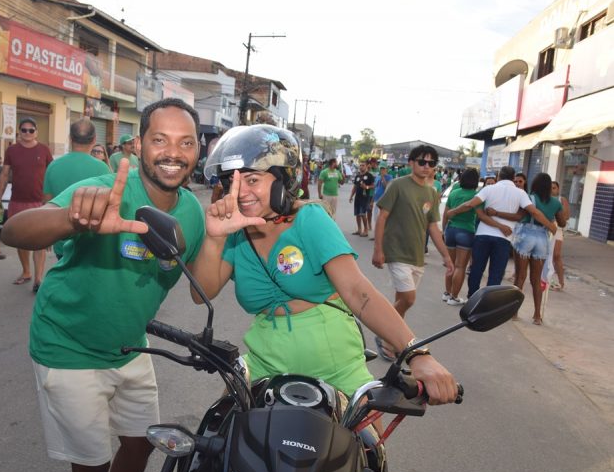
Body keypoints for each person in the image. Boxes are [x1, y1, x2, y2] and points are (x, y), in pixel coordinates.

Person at [0, 98, 205, 472]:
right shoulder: (107, 189)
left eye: (186, 142)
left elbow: (202, 288)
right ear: (139, 145)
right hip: (68, 347)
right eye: (160, 140)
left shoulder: (192, 211)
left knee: (142, 443)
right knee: (92, 466)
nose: (173, 153)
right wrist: (72, 220)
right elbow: (15, 231)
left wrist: (223, 237)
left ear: (198, 149)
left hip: (130, 347)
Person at [195, 125, 458, 403]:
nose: (241, 192)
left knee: (367, 443)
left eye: (252, 180)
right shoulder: (234, 231)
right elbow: (202, 293)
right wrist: (214, 239)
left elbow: (357, 290)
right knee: (218, 431)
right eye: (232, 182)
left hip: (335, 362)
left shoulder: (309, 219)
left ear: (283, 177)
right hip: (264, 360)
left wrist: (416, 354)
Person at [372, 146, 453, 360]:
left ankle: (392, 341)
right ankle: (383, 334)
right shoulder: (398, 185)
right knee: (409, 298)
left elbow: (433, 227)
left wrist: (446, 256)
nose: (426, 167)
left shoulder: (432, 193)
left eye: (431, 163)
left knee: (402, 301)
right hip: (396, 251)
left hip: (417, 256)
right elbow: (382, 217)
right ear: (411, 163)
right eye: (421, 162)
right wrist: (378, 249)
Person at [446, 166, 557, 299]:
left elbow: (470, 204)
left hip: (483, 235)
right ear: (513, 177)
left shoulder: (488, 189)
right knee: (496, 273)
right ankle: (488, 302)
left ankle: (472, 298)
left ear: (498, 177)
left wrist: (453, 211)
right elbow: (533, 212)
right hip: (504, 238)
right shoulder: (520, 193)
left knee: (477, 269)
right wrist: (550, 225)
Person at [484, 173, 565, 325]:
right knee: (536, 279)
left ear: (533, 184)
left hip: (525, 236)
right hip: (542, 238)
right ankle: (537, 316)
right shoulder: (555, 202)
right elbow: (562, 222)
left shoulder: (528, 197)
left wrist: (496, 213)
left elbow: (517, 216)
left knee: (520, 276)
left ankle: (514, 312)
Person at [0, 118, 53, 292]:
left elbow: (51, 175)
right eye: (24, 130)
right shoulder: (12, 150)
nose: (27, 133)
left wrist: (51, 202)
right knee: (21, 239)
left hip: (39, 202)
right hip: (17, 201)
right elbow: (5, 175)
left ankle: (38, 279)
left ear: (36, 132)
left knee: (40, 241)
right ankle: (26, 272)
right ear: (19, 131)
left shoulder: (44, 150)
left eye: (31, 130)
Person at [42, 119, 113, 260]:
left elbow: (48, 204)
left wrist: (47, 234)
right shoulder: (103, 168)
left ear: (70, 138)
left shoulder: (53, 166)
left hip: (61, 240)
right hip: (92, 242)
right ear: (94, 139)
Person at [441, 168, 480, 305]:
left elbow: (445, 214)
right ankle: (454, 297)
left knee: (450, 265)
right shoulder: (476, 195)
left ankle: (447, 293)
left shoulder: (454, 193)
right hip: (466, 230)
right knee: (460, 266)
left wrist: (443, 231)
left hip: (451, 229)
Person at [550, 181, 570, 290]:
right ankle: (546, 279)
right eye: (550, 188)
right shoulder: (544, 199)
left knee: (556, 255)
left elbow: (566, 216)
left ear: (557, 189)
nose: (552, 190)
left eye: (554, 188)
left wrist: (556, 215)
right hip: (546, 228)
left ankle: (561, 282)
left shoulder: (562, 200)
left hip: (558, 229)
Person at [348, 160, 374, 236]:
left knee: (363, 214)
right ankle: (359, 229)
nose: (361, 167)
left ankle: (366, 230)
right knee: (357, 214)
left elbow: (373, 185)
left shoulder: (369, 175)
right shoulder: (357, 176)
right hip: (357, 197)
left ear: (366, 166)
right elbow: (355, 186)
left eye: (363, 165)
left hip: (365, 197)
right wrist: (351, 196)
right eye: (360, 165)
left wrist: (366, 187)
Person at [369, 163, 392, 240]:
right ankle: (376, 235)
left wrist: (383, 178)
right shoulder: (377, 177)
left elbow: (387, 187)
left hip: (383, 201)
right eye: (381, 169)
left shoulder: (389, 177)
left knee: (381, 218)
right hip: (376, 199)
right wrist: (372, 201)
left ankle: (382, 236)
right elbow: (375, 189)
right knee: (375, 218)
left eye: (384, 169)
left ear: (386, 169)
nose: (382, 170)